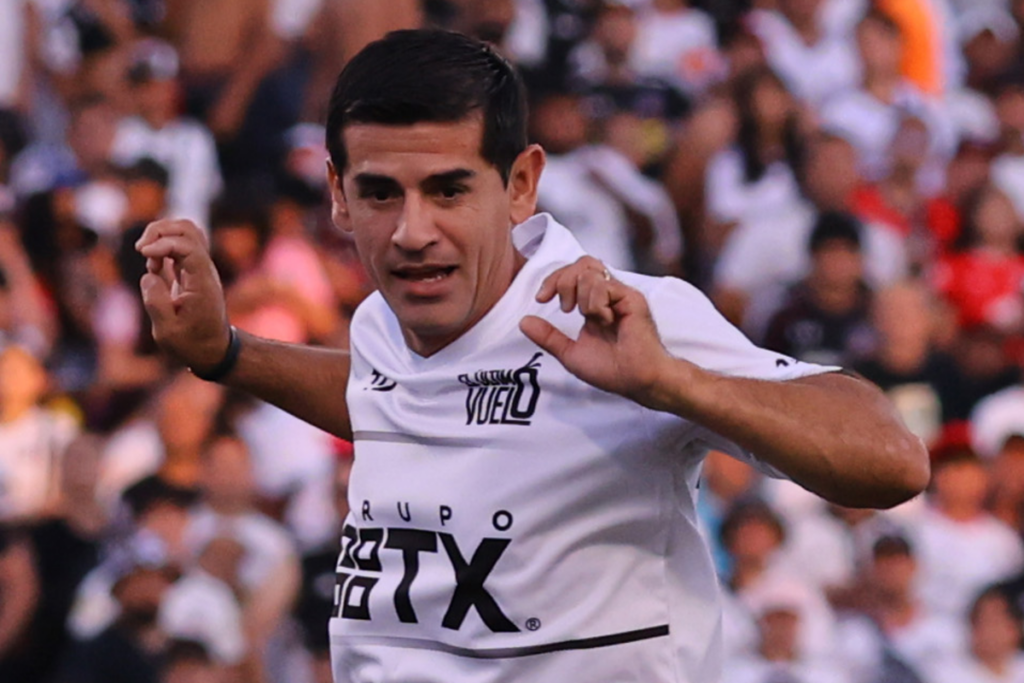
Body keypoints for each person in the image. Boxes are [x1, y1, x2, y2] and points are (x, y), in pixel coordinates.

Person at [135, 29, 929, 683]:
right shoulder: (383, 323)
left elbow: (893, 462)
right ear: (338, 194)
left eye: (449, 189)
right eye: (381, 193)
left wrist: (673, 383)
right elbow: (383, 392)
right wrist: (227, 353)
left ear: (520, 185)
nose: (412, 230)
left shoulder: (613, 322)